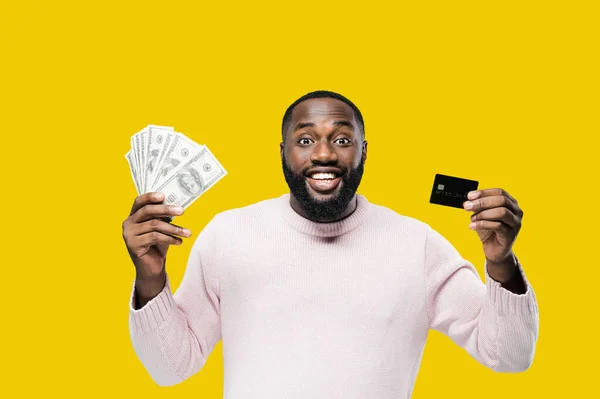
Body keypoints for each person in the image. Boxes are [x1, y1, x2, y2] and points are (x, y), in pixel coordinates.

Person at [122, 90, 539, 398]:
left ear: (363, 152)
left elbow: (509, 356)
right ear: (283, 152)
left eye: (342, 139)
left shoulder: (418, 246)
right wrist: (150, 277)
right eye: (305, 140)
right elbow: (170, 368)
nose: (323, 154)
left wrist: (502, 265)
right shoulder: (227, 236)